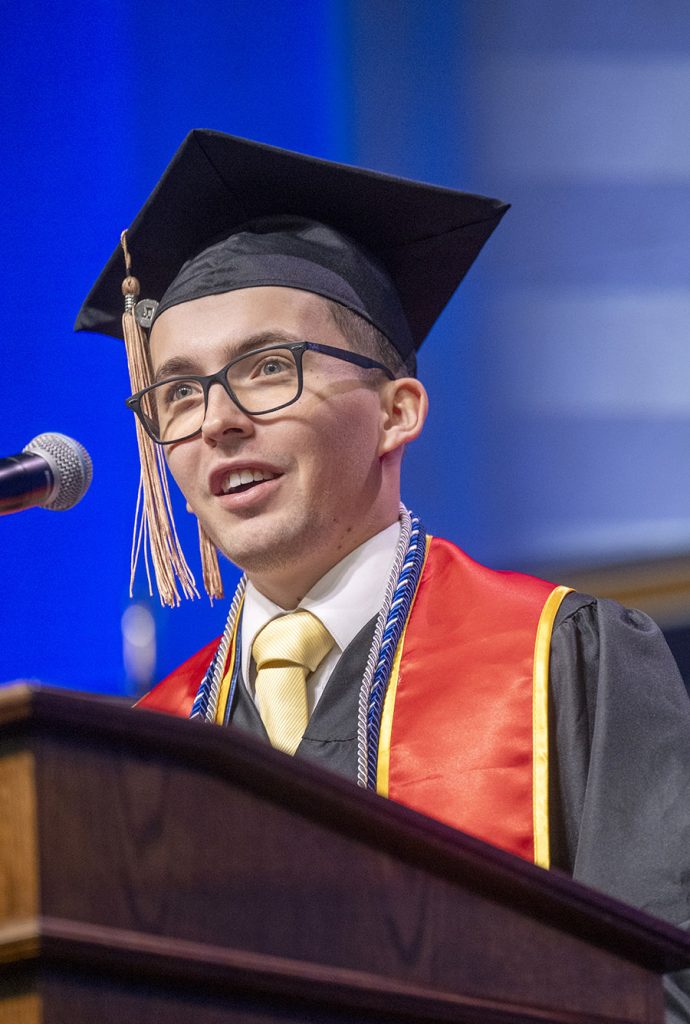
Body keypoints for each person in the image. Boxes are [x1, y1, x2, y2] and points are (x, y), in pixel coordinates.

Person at [76, 130, 690, 1018]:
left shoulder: (565, 657)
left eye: (266, 369)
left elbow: (666, 986)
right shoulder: (148, 742)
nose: (217, 422)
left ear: (397, 411)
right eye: (177, 392)